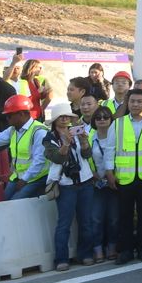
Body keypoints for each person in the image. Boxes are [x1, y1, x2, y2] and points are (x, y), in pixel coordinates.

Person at [42, 103, 96, 271]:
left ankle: (85, 254)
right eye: (62, 116)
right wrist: (65, 144)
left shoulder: (77, 131)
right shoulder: (49, 138)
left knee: (86, 221)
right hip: (65, 185)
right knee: (64, 223)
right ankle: (61, 258)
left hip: (85, 181)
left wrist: (84, 142)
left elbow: (87, 155)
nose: (65, 119)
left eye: (67, 116)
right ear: (55, 120)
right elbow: (57, 159)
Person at [108, 88, 142, 263]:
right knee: (125, 215)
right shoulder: (118, 123)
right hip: (124, 178)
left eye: (139, 101)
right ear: (127, 103)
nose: (135, 105)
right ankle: (126, 250)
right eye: (132, 101)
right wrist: (109, 172)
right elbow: (110, 149)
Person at [88, 106, 119, 263]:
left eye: (105, 117)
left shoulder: (118, 136)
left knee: (113, 218)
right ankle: (98, 249)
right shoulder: (89, 137)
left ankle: (112, 246)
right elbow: (84, 158)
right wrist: (92, 174)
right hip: (97, 183)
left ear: (111, 120)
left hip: (115, 182)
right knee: (96, 218)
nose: (101, 120)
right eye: (98, 117)